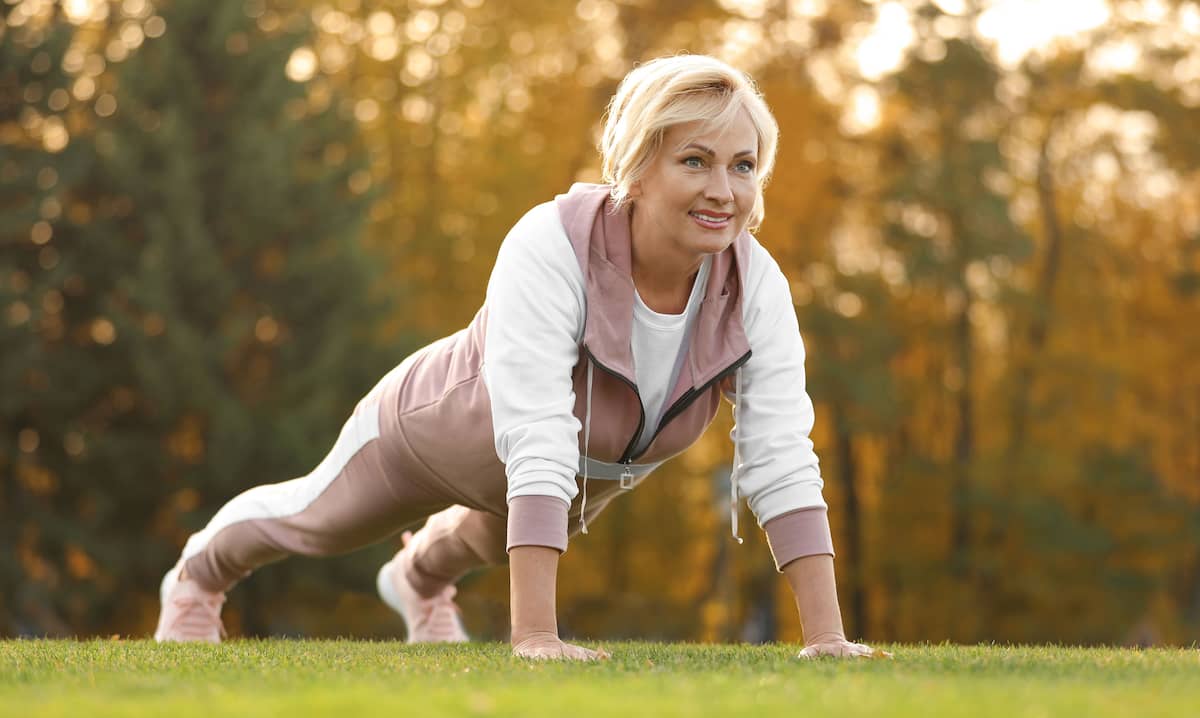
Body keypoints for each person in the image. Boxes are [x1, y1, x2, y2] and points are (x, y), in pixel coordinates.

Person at [154, 53, 889, 661]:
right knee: (315, 522)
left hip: (569, 481)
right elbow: (538, 428)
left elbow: (780, 455)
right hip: (433, 430)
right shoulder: (552, 243)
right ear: (637, 167)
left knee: (480, 540)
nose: (723, 191)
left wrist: (826, 639)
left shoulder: (754, 285)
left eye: (743, 166)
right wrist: (535, 635)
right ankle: (194, 577)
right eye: (695, 161)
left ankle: (416, 584)